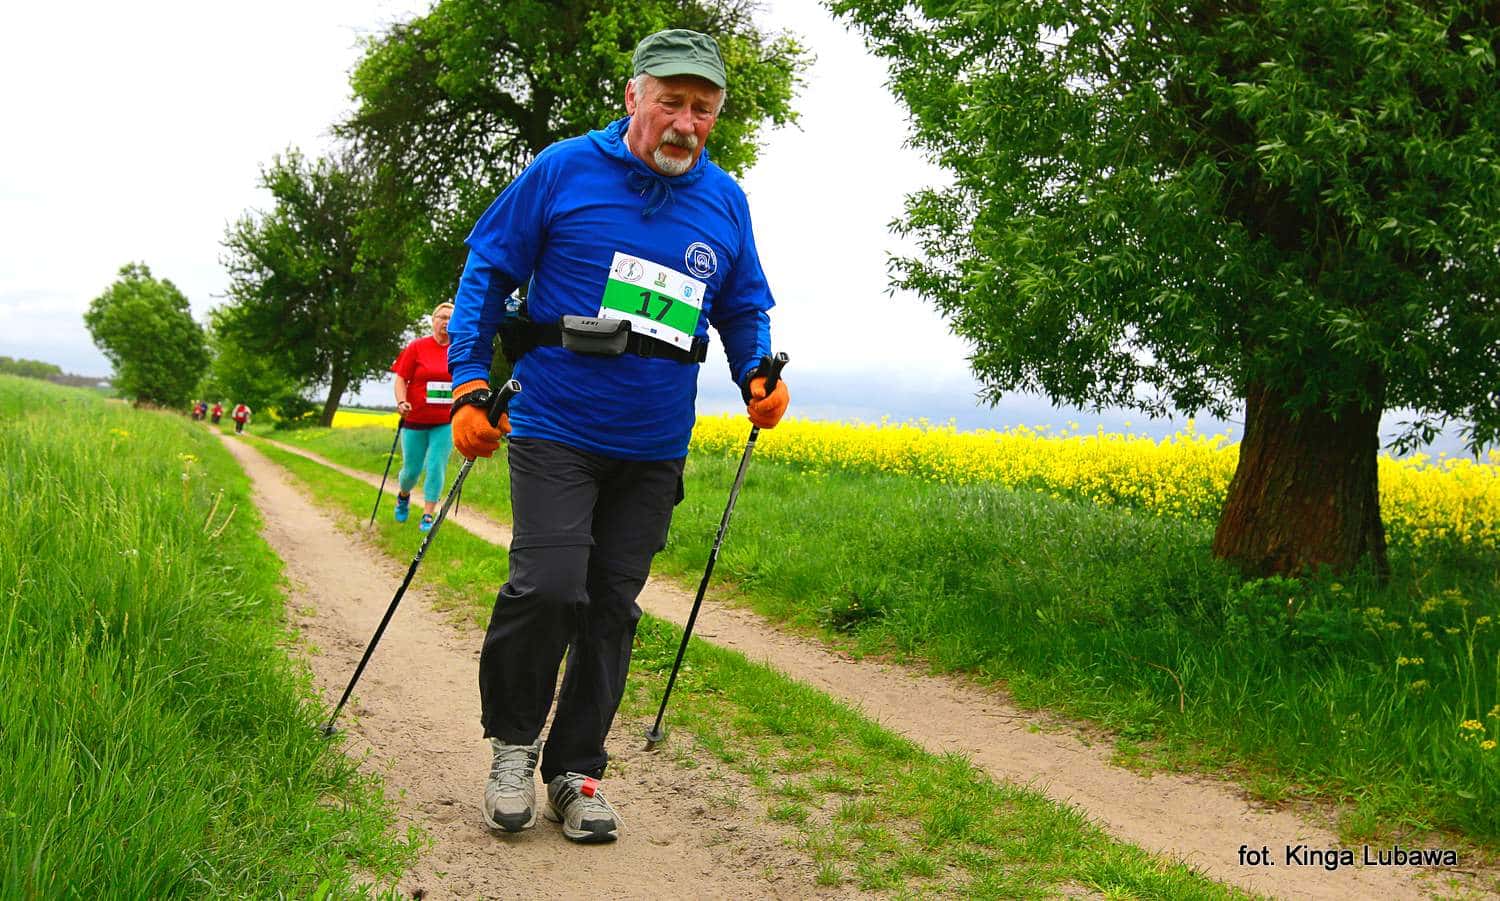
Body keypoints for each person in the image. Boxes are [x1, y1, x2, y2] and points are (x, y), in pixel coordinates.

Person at [446, 29, 790, 845]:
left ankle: (575, 770)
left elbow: (743, 306)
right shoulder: (564, 168)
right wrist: (467, 383)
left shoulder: (725, 200)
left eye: (703, 109)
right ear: (634, 96)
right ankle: (513, 747)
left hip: (654, 444)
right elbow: (488, 272)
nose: (685, 123)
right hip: (555, 424)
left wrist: (757, 373)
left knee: (610, 607)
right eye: (671, 102)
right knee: (549, 587)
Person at [390, 302, 457, 532]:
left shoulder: (458, 349)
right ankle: (403, 495)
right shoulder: (417, 347)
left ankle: (428, 514)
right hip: (415, 419)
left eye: (450, 318)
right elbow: (401, 379)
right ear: (433, 320)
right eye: (442, 317)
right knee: (411, 470)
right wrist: (401, 402)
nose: (446, 322)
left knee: (436, 465)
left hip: (445, 421)